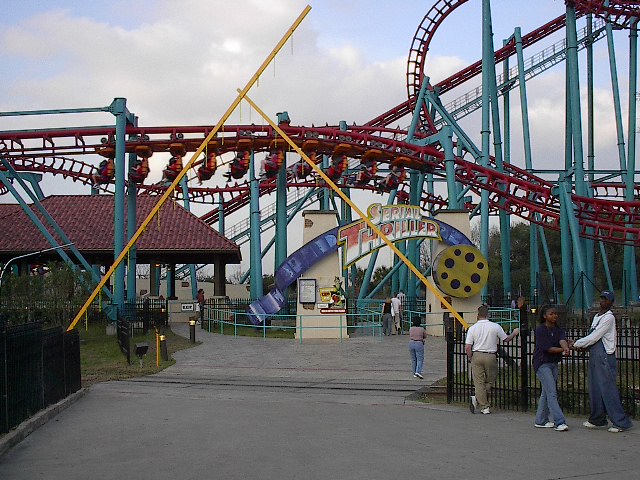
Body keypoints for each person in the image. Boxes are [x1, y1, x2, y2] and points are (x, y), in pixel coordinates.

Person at [571, 291, 633, 433]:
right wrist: (584, 347)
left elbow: (595, 336)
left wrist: (576, 344)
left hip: (604, 355)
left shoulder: (608, 318)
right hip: (595, 354)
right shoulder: (597, 317)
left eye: (605, 300)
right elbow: (592, 337)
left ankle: (620, 422)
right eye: (601, 299)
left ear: (611, 303)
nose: (602, 302)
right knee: (595, 388)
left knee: (607, 388)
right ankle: (597, 418)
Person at [465, 304, 520, 415]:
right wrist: (514, 333)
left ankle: (482, 404)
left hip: (477, 354)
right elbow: (506, 339)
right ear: (488, 314)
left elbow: (468, 346)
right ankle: (481, 402)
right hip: (491, 355)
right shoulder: (495, 326)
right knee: (490, 380)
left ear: (478, 315)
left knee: (478, 382)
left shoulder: (472, 328)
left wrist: (470, 357)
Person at [533, 305, 570, 431]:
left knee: (546, 392)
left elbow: (562, 340)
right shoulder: (540, 330)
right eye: (551, 314)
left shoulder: (558, 329)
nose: (555, 316)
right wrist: (563, 350)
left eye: (555, 313)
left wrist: (565, 347)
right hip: (542, 363)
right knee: (552, 392)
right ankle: (559, 421)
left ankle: (541, 420)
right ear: (545, 316)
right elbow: (547, 348)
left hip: (553, 363)